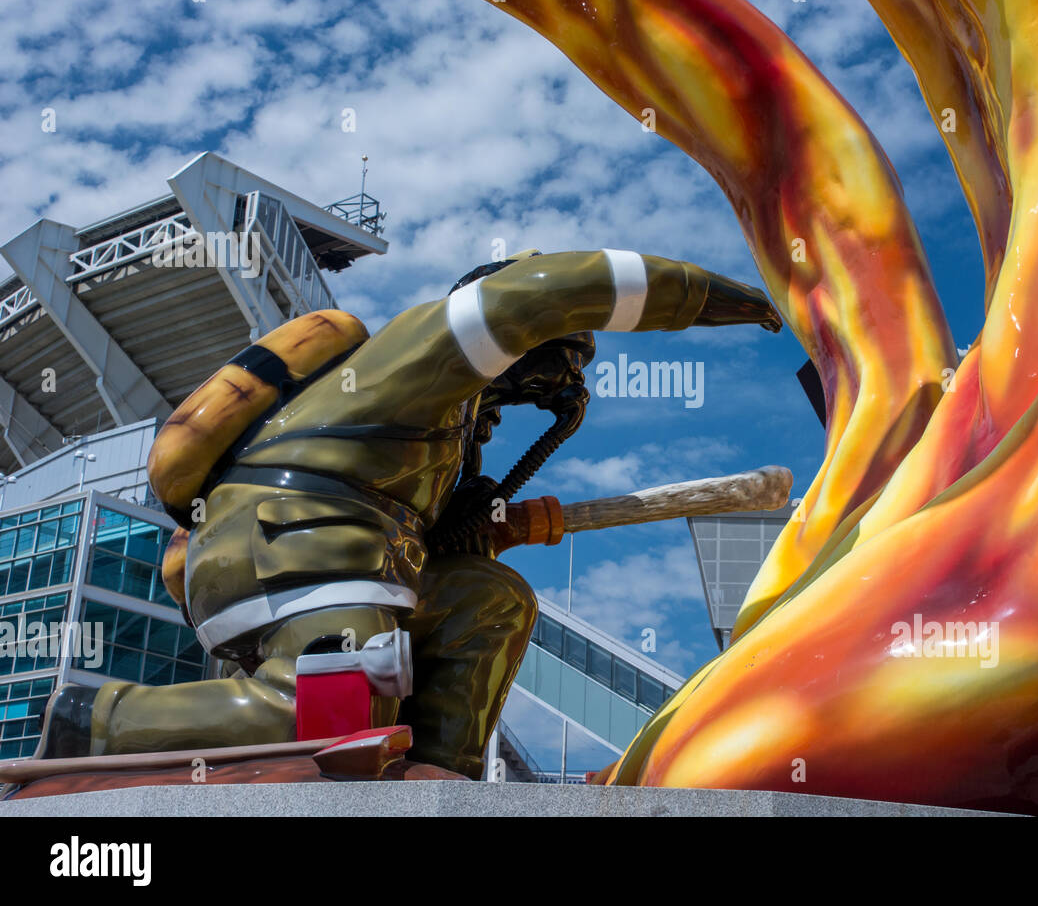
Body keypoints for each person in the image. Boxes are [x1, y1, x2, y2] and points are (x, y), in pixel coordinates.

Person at [36, 248, 781, 778]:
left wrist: (481, 528)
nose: (564, 373)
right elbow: (546, 292)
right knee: (326, 704)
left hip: (365, 557)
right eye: (563, 354)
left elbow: (446, 548)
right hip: (291, 536)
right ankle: (97, 718)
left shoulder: (450, 439)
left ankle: (438, 777)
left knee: (489, 603)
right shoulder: (421, 352)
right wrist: (715, 298)